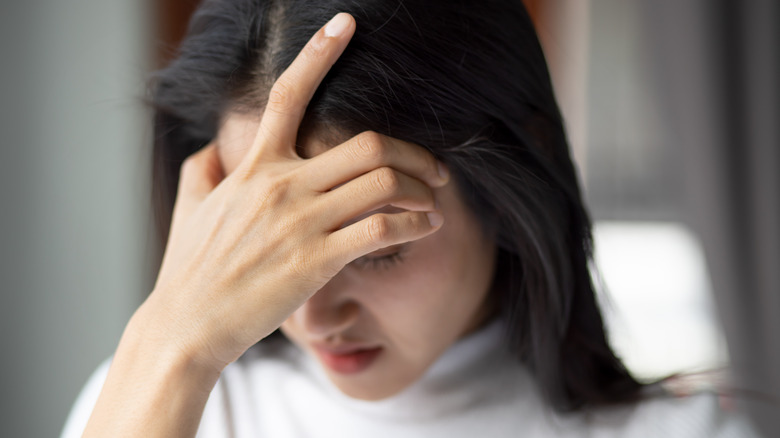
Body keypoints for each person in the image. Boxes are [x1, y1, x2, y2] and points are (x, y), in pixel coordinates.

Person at [61, 0, 758, 436]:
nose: (312, 314)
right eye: (264, 246)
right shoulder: (162, 399)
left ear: (504, 191)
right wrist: (168, 343)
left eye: (372, 245)